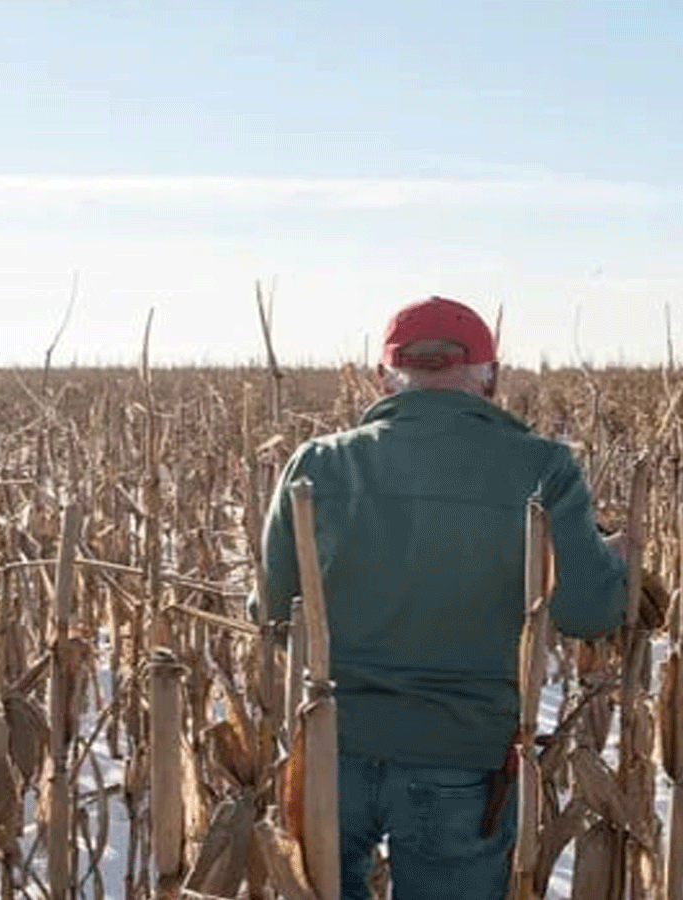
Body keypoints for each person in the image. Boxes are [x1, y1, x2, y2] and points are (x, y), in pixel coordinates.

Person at [251, 296, 631, 900]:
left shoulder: (318, 463)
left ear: (383, 376)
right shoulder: (543, 467)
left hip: (332, 752)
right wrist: (617, 564)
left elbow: (274, 615)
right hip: (464, 757)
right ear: (491, 377)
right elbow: (589, 613)